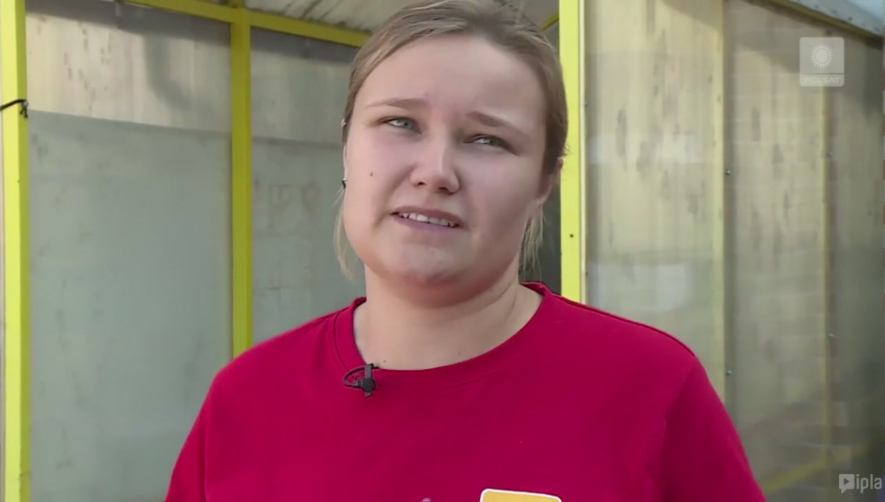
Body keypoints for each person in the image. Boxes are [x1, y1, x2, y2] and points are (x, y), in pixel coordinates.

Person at [165, 0, 766, 500]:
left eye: (487, 139)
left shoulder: (651, 389)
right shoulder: (247, 399)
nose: (435, 171)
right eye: (400, 123)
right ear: (347, 146)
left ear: (544, 183)